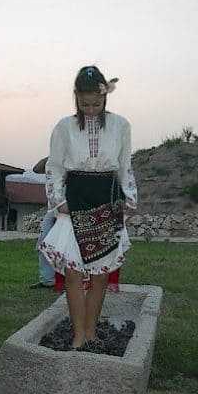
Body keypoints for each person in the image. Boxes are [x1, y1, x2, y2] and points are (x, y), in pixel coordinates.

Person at [40, 65, 137, 348]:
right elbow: (54, 167)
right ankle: (78, 334)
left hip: (107, 198)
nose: (91, 109)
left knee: (100, 274)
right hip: (76, 199)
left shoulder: (121, 125)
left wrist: (129, 198)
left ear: (105, 97)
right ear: (76, 97)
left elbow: (125, 166)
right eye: (85, 104)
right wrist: (59, 200)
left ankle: (92, 332)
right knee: (73, 272)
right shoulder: (64, 127)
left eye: (97, 103)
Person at [29, 157, 64, 293]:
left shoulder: (71, 159)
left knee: (68, 247)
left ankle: (70, 280)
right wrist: (53, 153)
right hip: (52, 210)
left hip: (68, 209)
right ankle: (47, 280)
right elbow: (36, 169)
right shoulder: (52, 161)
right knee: (43, 245)